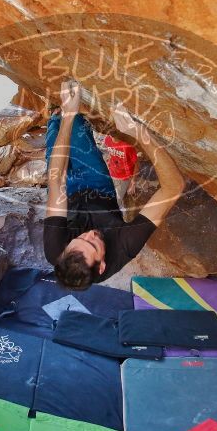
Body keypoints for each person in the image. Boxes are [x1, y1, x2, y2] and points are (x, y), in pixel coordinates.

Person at [43, 80, 184, 289]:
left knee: (58, 130)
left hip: (68, 195)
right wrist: (139, 133)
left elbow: (56, 179)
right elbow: (174, 188)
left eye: (79, 239)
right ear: (102, 266)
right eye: (93, 244)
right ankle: (66, 118)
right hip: (97, 185)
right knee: (79, 128)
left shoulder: (55, 250)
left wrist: (68, 114)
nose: (89, 234)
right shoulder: (124, 245)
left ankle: (56, 117)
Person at [103, 133, 139, 212]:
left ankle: (120, 211)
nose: (110, 134)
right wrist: (109, 164)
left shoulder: (127, 146)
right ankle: (120, 207)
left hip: (125, 177)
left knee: (117, 199)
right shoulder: (107, 139)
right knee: (108, 194)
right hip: (112, 173)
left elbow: (136, 164)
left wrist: (133, 182)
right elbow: (110, 153)